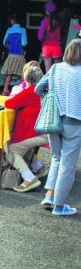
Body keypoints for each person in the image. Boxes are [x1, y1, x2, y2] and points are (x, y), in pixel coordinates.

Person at [35, 39, 81, 216]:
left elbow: (38, 89)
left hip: (53, 120)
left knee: (56, 157)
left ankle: (49, 195)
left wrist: (50, 100)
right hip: (74, 123)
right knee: (67, 165)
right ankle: (59, 206)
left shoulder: (55, 68)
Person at [4, 66, 48, 192]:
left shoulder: (30, 91)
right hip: (46, 131)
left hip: (34, 133)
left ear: (27, 79)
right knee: (24, 146)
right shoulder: (45, 90)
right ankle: (38, 168)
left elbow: (9, 104)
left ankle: (29, 178)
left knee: (12, 151)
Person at [2, 14, 28, 95]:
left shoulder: (9, 30)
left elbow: (4, 43)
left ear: (12, 21)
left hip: (11, 54)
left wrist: (10, 47)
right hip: (20, 54)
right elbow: (24, 43)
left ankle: (5, 90)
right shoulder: (22, 30)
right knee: (22, 73)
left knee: (9, 73)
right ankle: (23, 90)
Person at [38, 2, 63, 73]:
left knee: (48, 71)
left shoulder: (44, 21)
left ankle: (49, 84)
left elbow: (40, 36)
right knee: (58, 71)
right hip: (57, 47)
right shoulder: (59, 21)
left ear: (47, 11)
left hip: (46, 47)